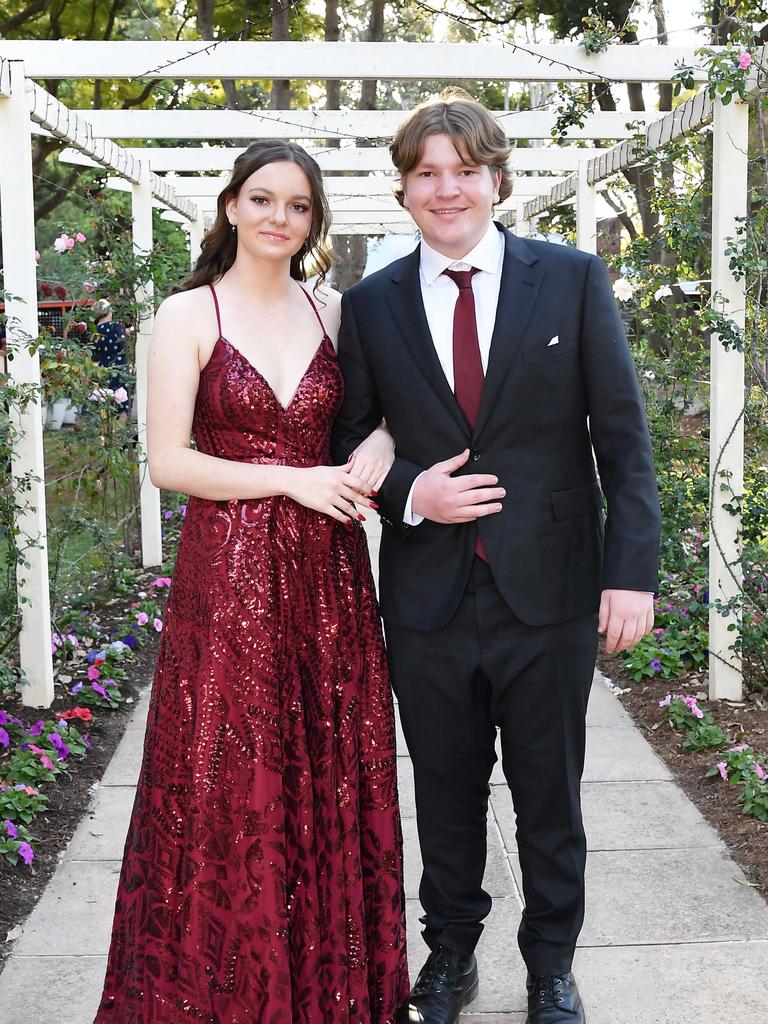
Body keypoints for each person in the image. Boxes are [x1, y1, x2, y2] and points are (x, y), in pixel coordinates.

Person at [332, 94, 661, 1024]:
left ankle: (552, 965)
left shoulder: (571, 278)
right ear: (404, 189)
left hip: (550, 592)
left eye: (464, 170)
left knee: (549, 791)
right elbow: (352, 435)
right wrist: (410, 496)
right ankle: (451, 956)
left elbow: (624, 441)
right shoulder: (372, 305)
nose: (447, 189)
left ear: (495, 179)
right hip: (429, 593)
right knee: (442, 789)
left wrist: (629, 572)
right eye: (427, 172)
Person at [93, 140, 409, 1023]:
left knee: (327, 769)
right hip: (227, 578)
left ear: (315, 222)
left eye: (299, 205)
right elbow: (168, 464)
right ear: (232, 206)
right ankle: (220, 993)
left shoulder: (336, 313)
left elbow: (380, 421)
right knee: (231, 778)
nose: (279, 217)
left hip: (328, 581)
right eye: (263, 199)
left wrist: (372, 453)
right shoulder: (188, 313)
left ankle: (330, 987)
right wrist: (292, 479)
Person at [91, 298, 129, 422]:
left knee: (103, 399)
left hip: (102, 368)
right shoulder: (116, 327)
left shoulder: (96, 331)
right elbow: (123, 346)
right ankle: (120, 431)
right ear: (110, 312)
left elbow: (94, 352)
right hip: (119, 366)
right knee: (121, 401)